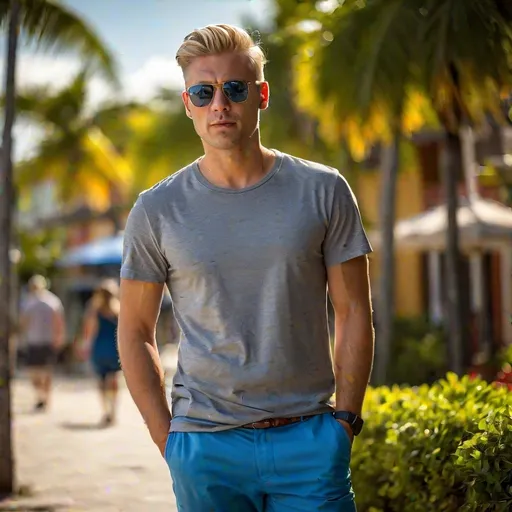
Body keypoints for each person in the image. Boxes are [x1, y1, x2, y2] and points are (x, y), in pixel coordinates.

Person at [118, 24, 374, 511]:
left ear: (262, 94)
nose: (220, 104)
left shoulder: (324, 190)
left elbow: (355, 310)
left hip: (310, 441)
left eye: (235, 89)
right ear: (187, 103)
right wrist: (167, 440)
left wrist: (345, 421)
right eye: (204, 91)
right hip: (204, 448)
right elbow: (134, 330)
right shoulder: (157, 209)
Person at [20, 274, 65, 411]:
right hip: (41, 340)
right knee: (41, 371)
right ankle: (44, 397)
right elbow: (59, 322)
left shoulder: (34, 302)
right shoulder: (49, 301)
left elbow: (23, 322)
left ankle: (43, 397)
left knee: (39, 371)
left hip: (39, 340)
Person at [81, 279, 122, 426]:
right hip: (114, 349)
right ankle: (113, 410)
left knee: (102, 382)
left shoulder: (94, 311)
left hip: (99, 348)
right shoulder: (119, 310)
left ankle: (106, 411)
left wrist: (85, 348)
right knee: (114, 381)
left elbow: (90, 332)